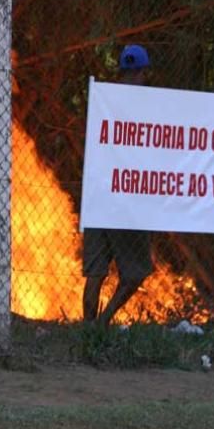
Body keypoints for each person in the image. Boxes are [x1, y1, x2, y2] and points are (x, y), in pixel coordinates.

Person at [82, 44, 154, 325]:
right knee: (136, 272)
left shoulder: (103, 101)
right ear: (145, 72)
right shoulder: (152, 106)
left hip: (98, 195)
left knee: (95, 274)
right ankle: (104, 321)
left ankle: (88, 331)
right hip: (127, 200)